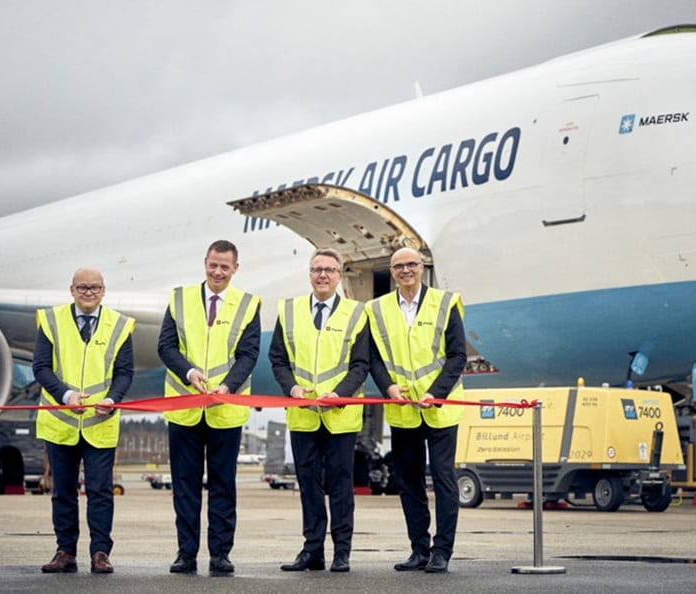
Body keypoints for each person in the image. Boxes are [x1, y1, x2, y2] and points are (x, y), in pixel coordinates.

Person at [157, 240, 261, 575]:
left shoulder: (248, 304)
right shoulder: (180, 299)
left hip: (225, 408)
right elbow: (166, 347)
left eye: (224, 267)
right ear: (205, 263)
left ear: (235, 269)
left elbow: (248, 354)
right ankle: (186, 553)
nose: (218, 272)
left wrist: (227, 385)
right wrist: (189, 373)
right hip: (185, 407)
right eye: (213, 265)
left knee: (223, 486)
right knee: (185, 486)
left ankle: (220, 554)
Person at [269, 248, 370, 573]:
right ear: (310, 274)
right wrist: (292, 389)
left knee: (340, 485)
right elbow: (278, 359)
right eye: (316, 269)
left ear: (339, 275)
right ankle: (312, 550)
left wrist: (339, 394)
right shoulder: (289, 311)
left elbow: (361, 364)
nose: (322, 275)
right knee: (308, 484)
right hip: (303, 414)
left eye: (329, 270)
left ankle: (342, 552)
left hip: (340, 415)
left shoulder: (356, 313)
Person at [368, 247, 467, 574]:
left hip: (439, 409)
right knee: (408, 482)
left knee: (443, 478)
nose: (405, 270)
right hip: (403, 409)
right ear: (392, 271)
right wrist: (388, 388)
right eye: (398, 266)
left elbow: (457, 356)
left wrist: (436, 392)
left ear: (422, 267)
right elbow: (374, 359)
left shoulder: (445, 303)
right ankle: (419, 550)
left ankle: (442, 551)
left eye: (411, 264)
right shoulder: (377, 309)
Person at [33, 267, 135, 574]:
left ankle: (100, 552)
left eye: (94, 288)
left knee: (100, 492)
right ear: (72, 290)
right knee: (63, 492)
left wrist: (113, 399)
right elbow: (41, 367)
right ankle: (65, 551)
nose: (88, 293)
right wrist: (65, 395)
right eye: (82, 288)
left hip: (100, 422)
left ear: (103, 291)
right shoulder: (51, 321)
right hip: (61, 422)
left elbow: (124, 373)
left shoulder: (120, 325)